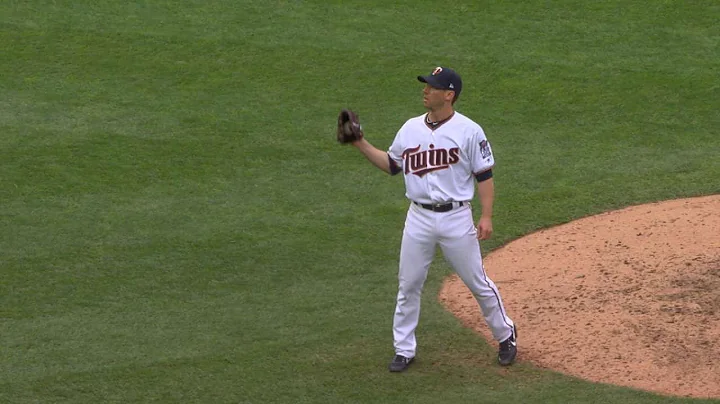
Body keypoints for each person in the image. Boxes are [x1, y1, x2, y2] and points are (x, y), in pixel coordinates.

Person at [351, 66, 517, 372]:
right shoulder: (410, 127)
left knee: (477, 283)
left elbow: (485, 175)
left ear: (449, 95)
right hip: (418, 218)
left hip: (456, 218)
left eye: (432, 87)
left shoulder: (469, 130)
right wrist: (359, 143)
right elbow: (391, 165)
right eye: (426, 85)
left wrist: (487, 215)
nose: (426, 90)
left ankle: (505, 334)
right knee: (408, 284)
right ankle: (404, 349)